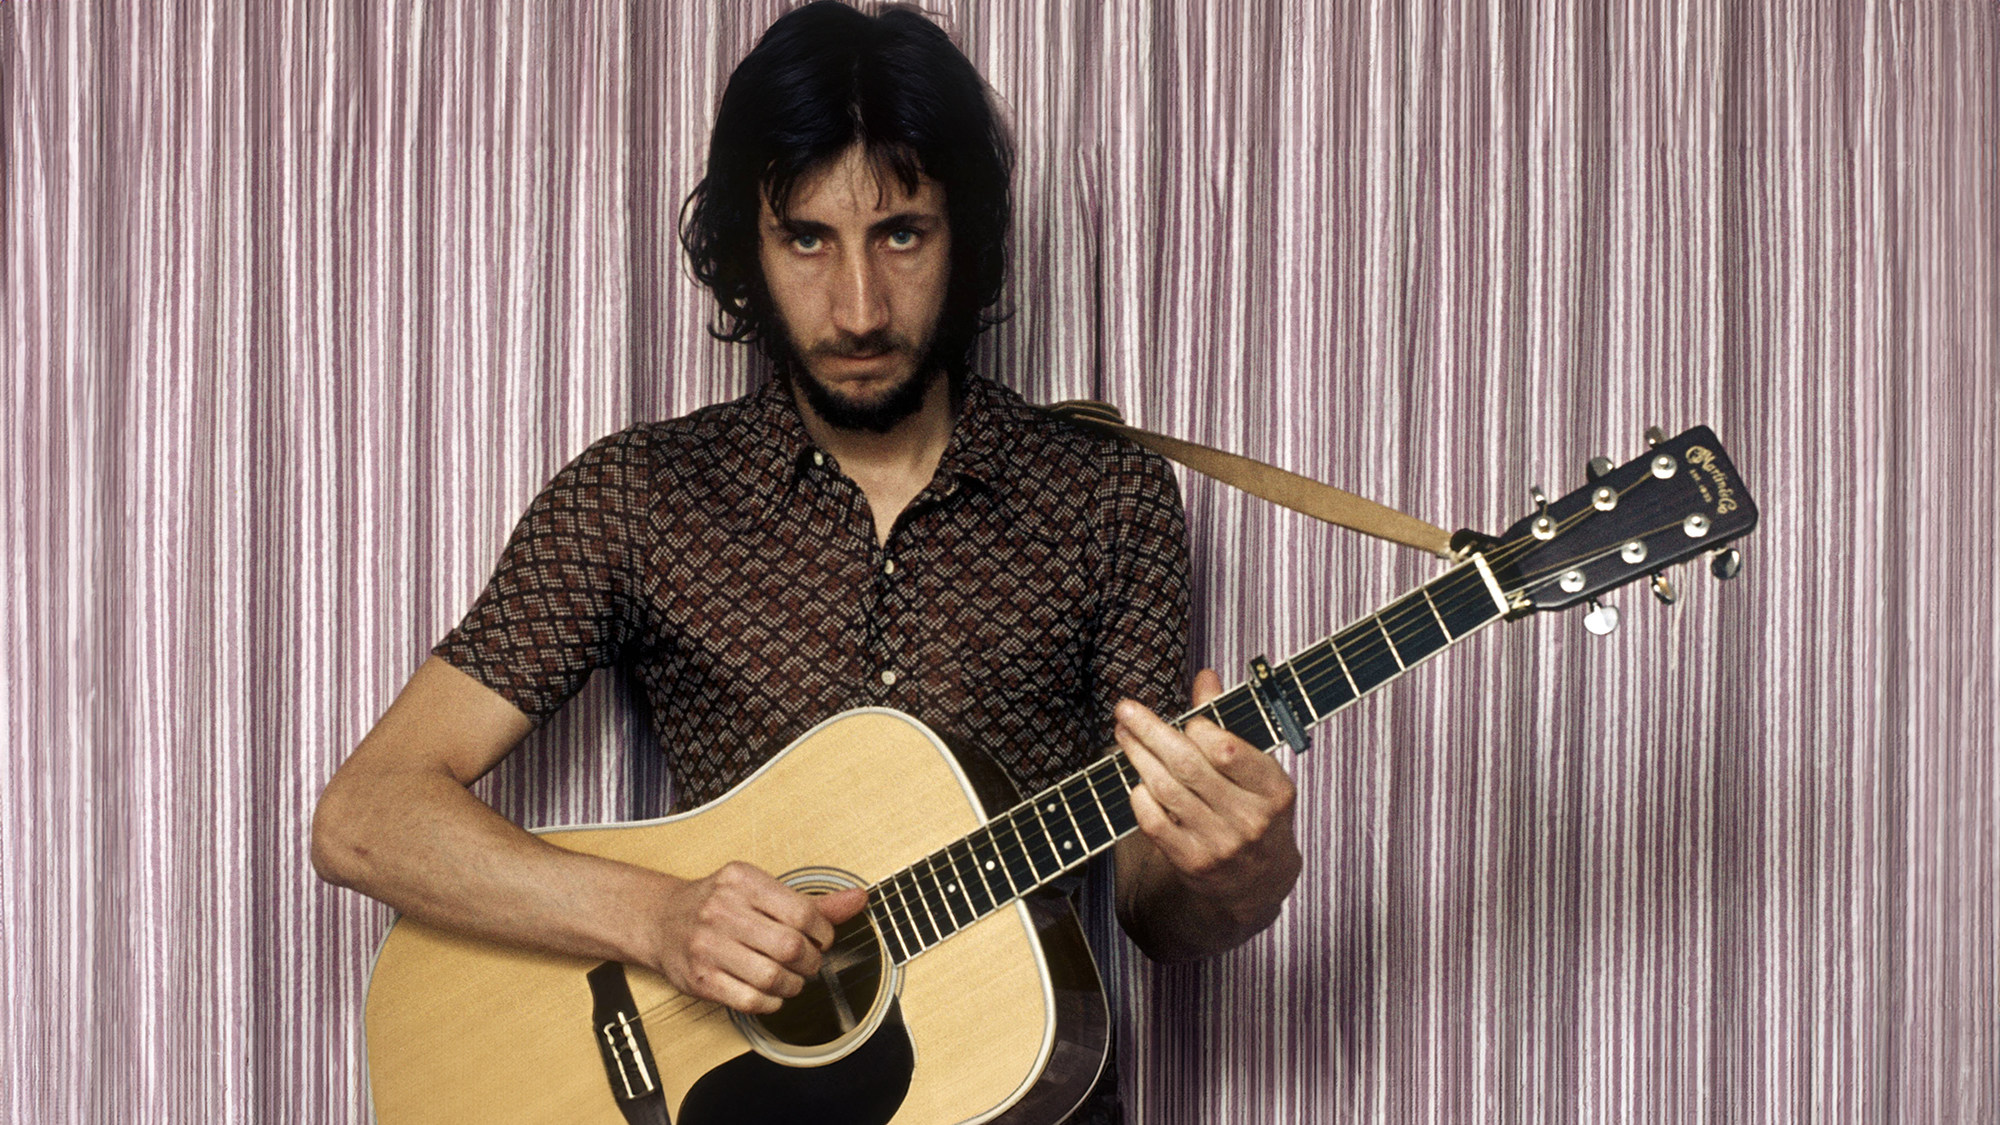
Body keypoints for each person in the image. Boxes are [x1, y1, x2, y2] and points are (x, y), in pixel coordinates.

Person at [311, 3, 1302, 1121]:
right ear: (747, 245)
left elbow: (1154, 911)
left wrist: (1240, 871)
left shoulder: (1102, 495)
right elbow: (366, 817)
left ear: (962, 234)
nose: (858, 307)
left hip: (1015, 1096)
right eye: (806, 238)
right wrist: (656, 919)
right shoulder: (640, 496)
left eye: (900, 233)